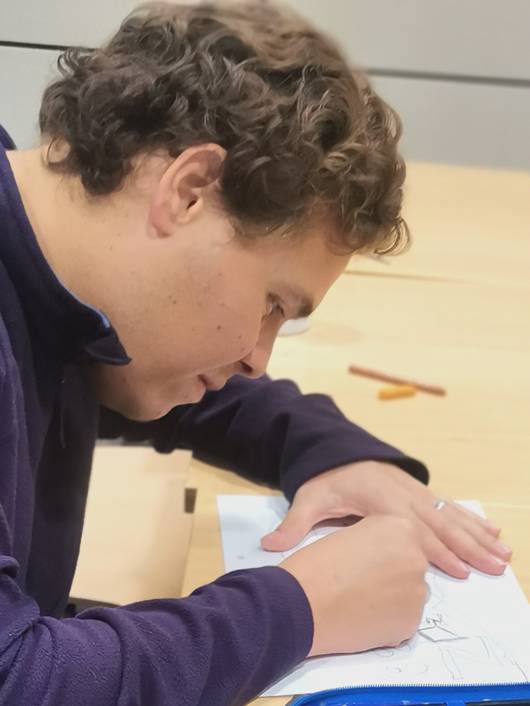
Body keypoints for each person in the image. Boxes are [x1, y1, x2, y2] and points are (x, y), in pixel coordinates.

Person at [0, 2, 512, 704]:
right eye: (273, 303)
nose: (258, 357)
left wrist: (321, 447)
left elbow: (128, 372)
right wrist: (300, 607)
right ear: (187, 192)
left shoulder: (53, 272)